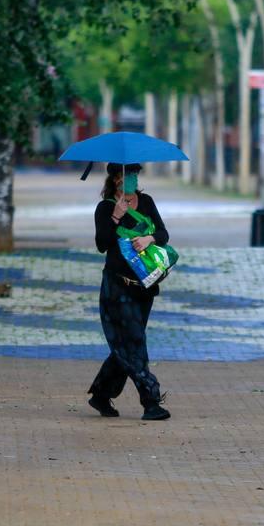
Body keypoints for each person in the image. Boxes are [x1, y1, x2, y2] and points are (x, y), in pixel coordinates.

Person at [87, 162, 171, 421]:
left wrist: (149, 239)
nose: (130, 179)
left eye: (134, 174)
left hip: (144, 287)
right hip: (116, 286)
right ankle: (151, 400)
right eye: (125, 175)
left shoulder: (146, 202)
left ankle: (101, 394)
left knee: (126, 345)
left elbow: (163, 233)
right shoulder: (105, 207)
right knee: (134, 342)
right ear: (114, 179)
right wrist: (115, 215)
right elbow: (102, 244)